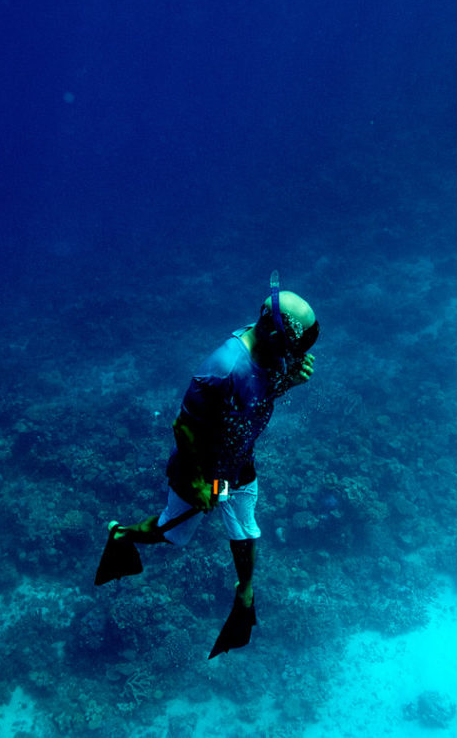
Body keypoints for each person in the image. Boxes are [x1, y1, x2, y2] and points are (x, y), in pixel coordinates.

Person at [94, 271, 318, 658]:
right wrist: (199, 481)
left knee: (245, 528)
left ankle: (244, 596)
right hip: (202, 469)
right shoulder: (223, 368)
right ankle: (121, 534)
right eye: (292, 347)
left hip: (239, 463)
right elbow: (183, 426)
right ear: (272, 332)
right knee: (174, 533)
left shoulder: (270, 350)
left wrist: (289, 383)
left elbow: (257, 399)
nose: (293, 358)